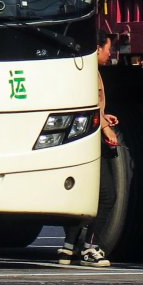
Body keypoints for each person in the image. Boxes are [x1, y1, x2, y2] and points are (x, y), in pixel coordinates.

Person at [59, 31, 120, 267]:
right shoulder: (88, 74)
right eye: (107, 49)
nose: (110, 54)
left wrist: (105, 117)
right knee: (107, 196)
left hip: (80, 139)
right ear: (96, 48)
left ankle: (68, 247)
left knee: (83, 194)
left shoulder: (82, 70)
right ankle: (90, 248)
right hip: (90, 141)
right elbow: (89, 105)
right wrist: (106, 128)